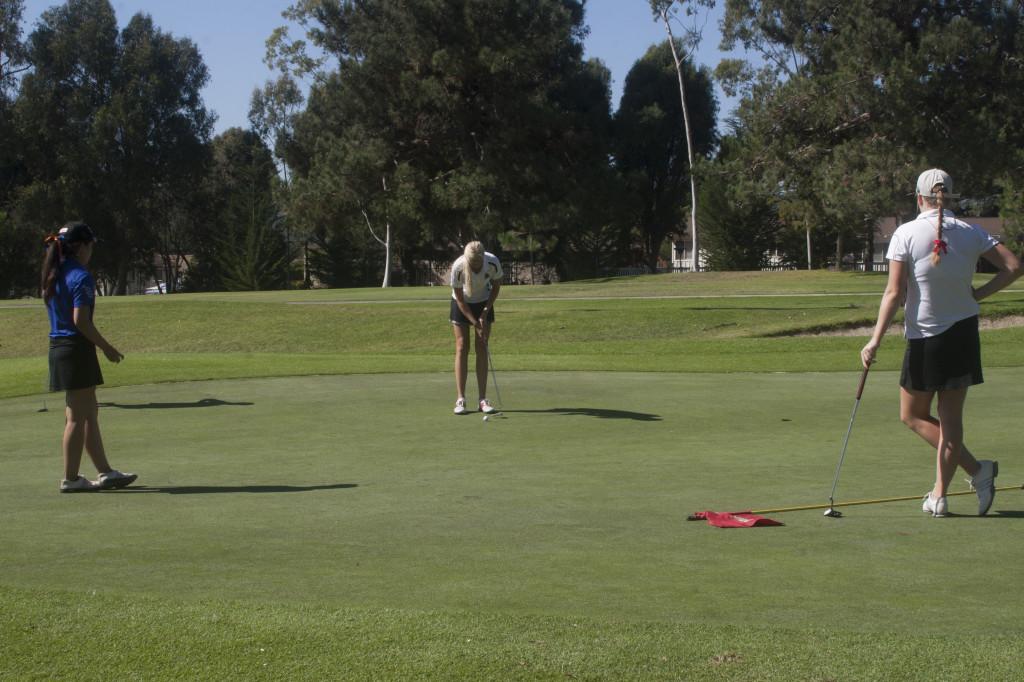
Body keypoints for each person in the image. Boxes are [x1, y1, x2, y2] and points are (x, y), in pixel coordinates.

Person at [861, 169, 1021, 517]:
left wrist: (874, 339)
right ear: (949, 197)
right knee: (950, 420)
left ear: (919, 198)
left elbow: (894, 292)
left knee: (912, 415)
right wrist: (979, 294)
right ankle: (963, 481)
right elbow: (1013, 266)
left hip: (924, 340)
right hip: (963, 335)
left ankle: (950, 489)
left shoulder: (905, 233)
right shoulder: (971, 232)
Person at [41, 222, 137, 492]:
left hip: (61, 347)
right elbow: (81, 321)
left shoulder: (54, 273)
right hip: (75, 348)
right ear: (80, 246)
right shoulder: (80, 276)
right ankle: (71, 479)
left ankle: (106, 472)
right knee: (75, 416)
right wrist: (107, 347)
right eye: (91, 245)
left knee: (89, 413)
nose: (91, 250)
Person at [449, 241, 502, 415]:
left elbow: (496, 287)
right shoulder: (458, 267)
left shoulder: (492, 262)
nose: (476, 267)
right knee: (462, 346)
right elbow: (460, 300)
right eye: (473, 264)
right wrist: (474, 322)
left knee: (482, 346)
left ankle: (482, 399)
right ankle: (461, 399)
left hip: (484, 302)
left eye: (478, 263)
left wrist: (485, 312)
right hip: (461, 304)